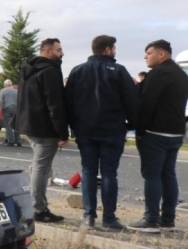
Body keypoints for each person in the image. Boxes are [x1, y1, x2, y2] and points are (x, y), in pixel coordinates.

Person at [64, 35, 138, 231]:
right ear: (107, 50)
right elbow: (131, 101)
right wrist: (131, 124)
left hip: (85, 130)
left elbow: (68, 102)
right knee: (109, 174)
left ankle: (88, 216)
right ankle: (109, 218)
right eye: (113, 48)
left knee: (88, 171)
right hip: (112, 129)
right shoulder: (119, 71)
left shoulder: (78, 71)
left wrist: (73, 125)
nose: (115, 51)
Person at [128, 39, 188, 233]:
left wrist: (139, 130)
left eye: (149, 53)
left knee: (152, 175)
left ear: (161, 54)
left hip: (155, 132)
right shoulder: (181, 74)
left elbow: (147, 105)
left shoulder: (157, 74)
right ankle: (168, 220)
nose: (146, 56)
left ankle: (151, 219)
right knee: (168, 174)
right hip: (176, 131)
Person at [14, 37, 68, 223]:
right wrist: (62, 131)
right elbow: (55, 104)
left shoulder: (28, 69)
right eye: (58, 50)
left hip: (29, 125)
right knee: (41, 168)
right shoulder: (50, 71)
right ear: (47, 51)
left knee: (39, 167)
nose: (62, 53)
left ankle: (36, 206)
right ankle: (38, 209)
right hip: (44, 127)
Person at [0, 79, 21, 147]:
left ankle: (11, 141)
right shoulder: (16, 91)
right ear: (11, 84)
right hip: (16, 109)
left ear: (5, 85)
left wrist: (1, 107)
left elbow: (1, 101)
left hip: (7, 109)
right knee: (16, 126)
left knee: (8, 126)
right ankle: (18, 141)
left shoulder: (3, 91)